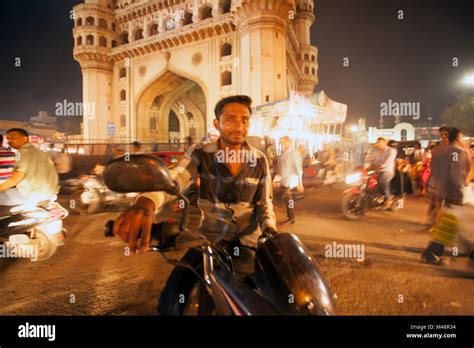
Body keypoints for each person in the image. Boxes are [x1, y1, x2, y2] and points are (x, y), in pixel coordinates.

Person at [112, 95, 278, 314]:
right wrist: (145, 204)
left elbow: (264, 203)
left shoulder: (259, 160)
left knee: (272, 301)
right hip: (210, 242)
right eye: (230, 119)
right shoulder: (201, 153)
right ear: (217, 124)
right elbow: (175, 180)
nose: (239, 125)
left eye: (244, 119)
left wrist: (270, 231)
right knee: (171, 301)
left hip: (249, 245)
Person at [421, 127, 472, 265]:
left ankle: (465, 249)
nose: (464, 140)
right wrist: (455, 194)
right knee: (451, 224)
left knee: (455, 224)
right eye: (462, 137)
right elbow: (454, 175)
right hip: (453, 193)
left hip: (446, 191)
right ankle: (431, 253)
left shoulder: (442, 151)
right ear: (456, 138)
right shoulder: (456, 152)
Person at [0, 128, 59, 206]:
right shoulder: (43, 153)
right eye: (8, 139)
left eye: (13, 138)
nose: (9, 141)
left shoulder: (21, 152)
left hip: (29, 195)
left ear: (25, 138)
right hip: (50, 194)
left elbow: (16, 178)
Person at [425, 126, 450, 228]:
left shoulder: (454, 148)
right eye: (442, 135)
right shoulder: (437, 149)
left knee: (443, 203)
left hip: (449, 179)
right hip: (436, 178)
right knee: (435, 202)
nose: (443, 137)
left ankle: (437, 223)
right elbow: (432, 164)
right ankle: (432, 222)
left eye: (446, 135)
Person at [364, 137, 397, 208]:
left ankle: (389, 198)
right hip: (375, 170)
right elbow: (368, 158)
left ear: (385, 143)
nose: (378, 144)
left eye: (380, 143)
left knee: (382, 180)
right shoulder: (373, 150)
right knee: (365, 180)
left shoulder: (391, 150)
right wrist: (366, 166)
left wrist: (382, 166)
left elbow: (389, 161)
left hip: (387, 171)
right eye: (377, 143)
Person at [278, 136, 304, 225]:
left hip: (290, 179)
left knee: (288, 199)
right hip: (284, 179)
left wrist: (300, 182)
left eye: (283, 142)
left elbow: (298, 168)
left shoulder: (294, 153)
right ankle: (291, 217)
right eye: (281, 142)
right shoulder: (285, 152)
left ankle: (291, 217)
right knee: (287, 199)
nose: (282, 144)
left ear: (288, 142)